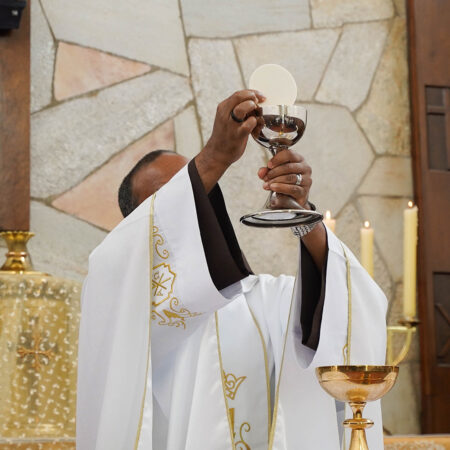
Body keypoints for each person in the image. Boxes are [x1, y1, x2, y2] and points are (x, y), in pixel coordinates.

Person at [77, 90, 387, 450]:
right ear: (140, 232)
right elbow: (111, 265)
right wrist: (215, 157)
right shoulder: (127, 314)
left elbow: (350, 307)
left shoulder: (267, 301)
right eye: (180, 199)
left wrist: (304, 218)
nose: (194, 206)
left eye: (200, 193)